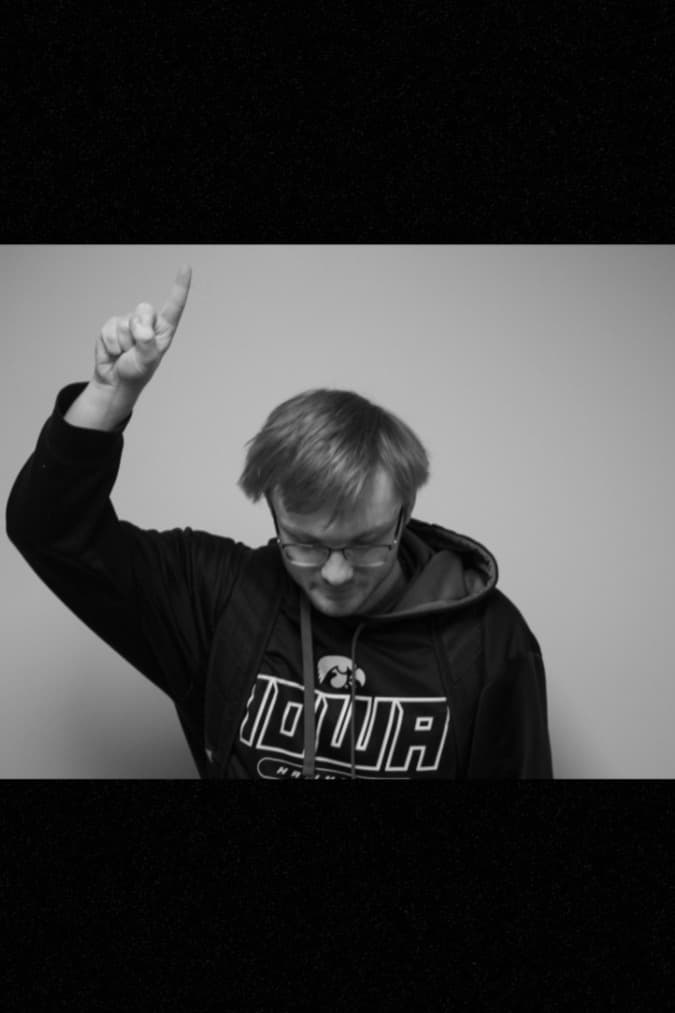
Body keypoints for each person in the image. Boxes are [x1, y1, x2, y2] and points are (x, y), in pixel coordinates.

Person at [6, 266, 553, 779]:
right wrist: (109, 397)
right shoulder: (219, 599)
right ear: (272, 510)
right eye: (306, 545)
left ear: (404, 513)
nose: (335, 574)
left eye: (365, 545)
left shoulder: (489, 638)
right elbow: (48, 531)